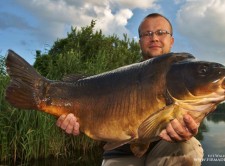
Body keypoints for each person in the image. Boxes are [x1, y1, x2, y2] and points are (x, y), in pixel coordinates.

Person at [56, 13, 203, 166]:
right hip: (120, 152)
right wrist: (72, 123)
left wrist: (188, 127)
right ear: (140, 42)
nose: (154, 38)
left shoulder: (182, 75)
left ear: (171, 41)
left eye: (161, 32)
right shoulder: (119, 77)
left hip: (165, 147)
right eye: (147, 34)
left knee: (190, 148)